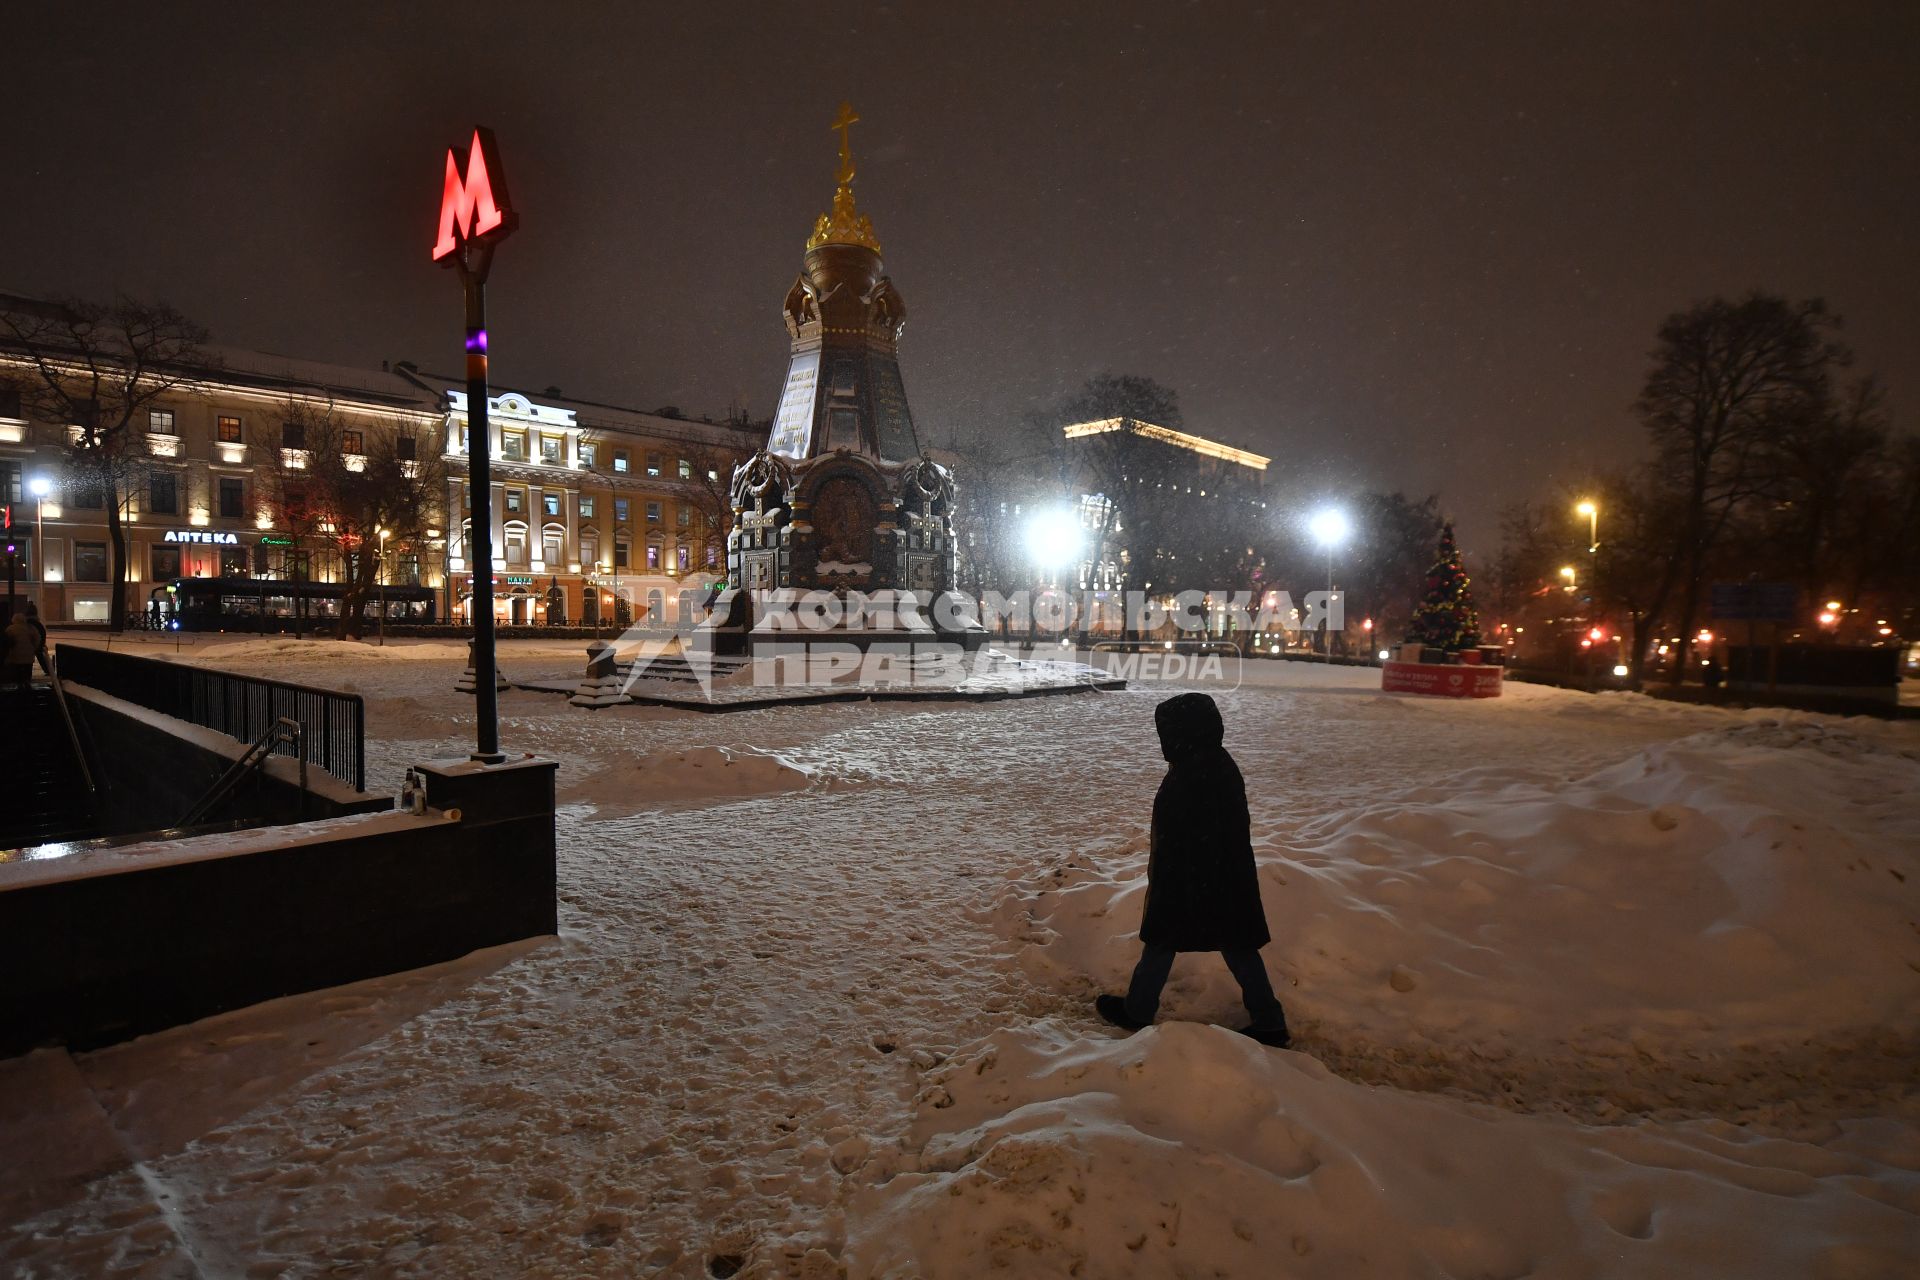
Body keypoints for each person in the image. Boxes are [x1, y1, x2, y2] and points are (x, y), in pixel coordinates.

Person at [1096, 691, 1291, 1048]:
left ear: (1184, 733)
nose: (1164, 742)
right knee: (1232, 943)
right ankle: (1268, 1020)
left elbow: (1194, 831)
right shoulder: (1209, 762)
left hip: (1196, 877)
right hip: (1218, 877)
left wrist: (1178, 875)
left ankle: (1139, 1010)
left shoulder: (1196, 771)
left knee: (1167, 940)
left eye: (1167, 733)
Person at [3, 607, 37, 695]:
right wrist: (34, 647)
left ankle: (20, 684)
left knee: (18, 669)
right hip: (29, 653)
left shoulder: (10, 628)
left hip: (16, 653)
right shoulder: (30, 627)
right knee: (28, 668)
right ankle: (27, 683)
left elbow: (6, 640)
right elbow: (37, 638)